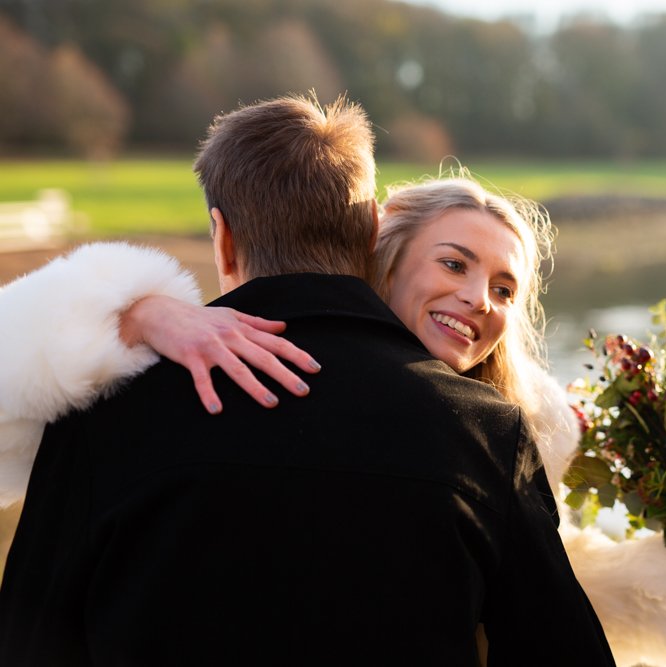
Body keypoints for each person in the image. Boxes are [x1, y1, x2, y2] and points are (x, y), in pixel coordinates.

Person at [0, 94, 616, 665]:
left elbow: (30, 641)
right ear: (374, 229)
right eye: (453, 263)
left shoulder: (108, 408)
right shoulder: (486, 430)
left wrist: (130, 311)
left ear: (224, 237)